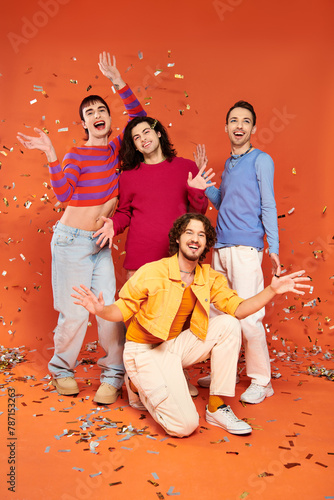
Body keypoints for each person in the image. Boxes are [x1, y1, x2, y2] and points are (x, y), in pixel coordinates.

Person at [72, 213, 310, 437]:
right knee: (184, 426)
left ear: (206, 244)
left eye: (201, 235)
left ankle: (216, 408)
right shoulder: (153, 271)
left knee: (228, 323)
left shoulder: (209, 278)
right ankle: (135, 384)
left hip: (174, 348)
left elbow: (238, 309)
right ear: (178, 237)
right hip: (143, 351)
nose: (195, 238)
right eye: (189, 232)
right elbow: (122, 309)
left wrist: (272, 290)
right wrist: (101, 310)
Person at [17, 52, 146, 405]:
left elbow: (141, 120)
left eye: (101, 110)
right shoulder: (75, 154)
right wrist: (51, 155)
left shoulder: (118, 150)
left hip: (99, 244)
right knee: (75, 313)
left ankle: (112, 375)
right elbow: (63, 193)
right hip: (72, 242)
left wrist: (118, 81)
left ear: (108, 118)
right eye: (89, 113)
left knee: (108, 311)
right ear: (85, 125)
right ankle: (61, 369)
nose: (97, 115)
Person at [198, 100, 281, 404]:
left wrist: (273, 245)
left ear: (253, 128)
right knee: (221, 315)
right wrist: (204, 184)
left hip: (247, 249)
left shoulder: (261, 160)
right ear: (226, 127)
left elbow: (268, 204)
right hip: (220, 247)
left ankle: (262, 380)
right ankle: (226, 373)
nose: (239, 126)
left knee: (249, 317)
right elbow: (224, 202)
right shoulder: (229, 165)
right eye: (234, 120)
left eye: (245, 121)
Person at [93, 116, 215, 280]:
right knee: (139, 306)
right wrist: (113, 225)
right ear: (135, 147)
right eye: (137, 137)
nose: (143, 138)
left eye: (146, 132)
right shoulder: (128, 177)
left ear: (158, 133)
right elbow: (125, 213)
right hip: (140, 261)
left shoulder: (186, 167)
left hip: (178, 260)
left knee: (179, 306)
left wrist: (196, 191)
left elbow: (196, 217)